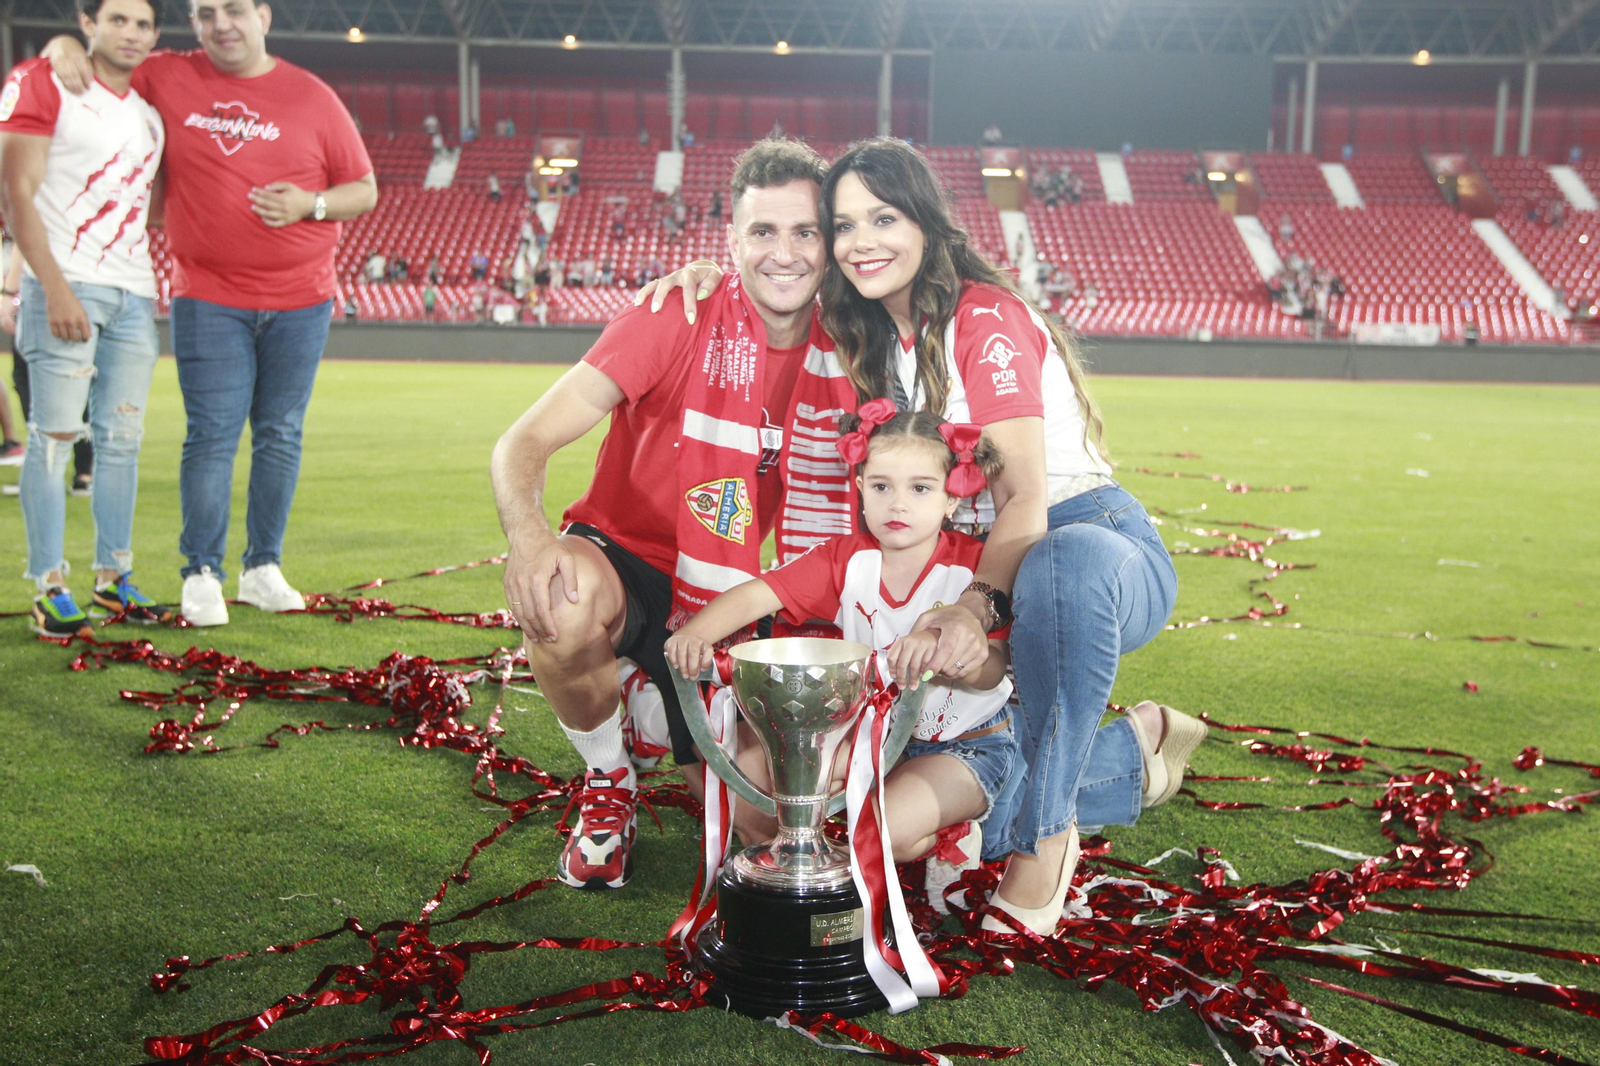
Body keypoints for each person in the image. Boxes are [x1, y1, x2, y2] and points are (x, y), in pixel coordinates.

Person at [645, 138, 1208, 936]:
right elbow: (771, 295)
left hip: (1082, 541)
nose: (860, 241)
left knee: (1059, 570)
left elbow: (1025, 499)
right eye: (843, 226)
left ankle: (1045, 843)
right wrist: (705, 279)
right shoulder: (874, 332)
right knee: (908, 780)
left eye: (884, 216)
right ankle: (1128, 749)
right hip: (981, 560)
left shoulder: (982, 317)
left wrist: (973, 609)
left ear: (927, 223)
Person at [488, 138, 843, 892]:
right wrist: (529, 538)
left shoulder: (848, 348)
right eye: (762, 232)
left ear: (831, 243)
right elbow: (523, 440)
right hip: (620, 557)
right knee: (560, 598)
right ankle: (609, 779)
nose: (783, 253)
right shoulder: (673, 314)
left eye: (804, 232)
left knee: (764, 829)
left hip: (728, 590)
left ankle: (650, 704)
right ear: (731, 242)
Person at [44, 0, 378, 627]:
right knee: (212, 437)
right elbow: (101, 64)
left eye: (234, 10)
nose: (221, 23)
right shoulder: (169, 73)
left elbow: (364, 188)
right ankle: (201, 571)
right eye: (205, 13)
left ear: (264, 16)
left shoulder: (313, 95)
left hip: (303, 298)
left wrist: (311, 203)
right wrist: (61, 46)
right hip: (209, 295)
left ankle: (262, 568)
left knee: (280, 433)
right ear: (193, 24)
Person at [665, 406, 1014, 914]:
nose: (898, 504)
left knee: (878, 833)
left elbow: (995, 670)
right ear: (859, 486)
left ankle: (948, 832)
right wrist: (696, 632)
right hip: (871, 740)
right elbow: (757, 595)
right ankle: (897, 836)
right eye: (881, 486)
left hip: (966, 745)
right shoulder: (846, 559)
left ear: (951, 494)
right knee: (761, 781)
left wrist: (958, 658)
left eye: (919, 488)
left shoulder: (974, 569)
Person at [1, 0, 170, 635]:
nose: (131, 33)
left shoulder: (150, 114)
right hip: (65, 286)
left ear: (156, 35)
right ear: (87, 21)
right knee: (53, 437)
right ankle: (48, 586)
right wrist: (54, 287)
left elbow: (147, 205)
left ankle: (113, 579)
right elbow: (15, 192)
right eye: (118, 19)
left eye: (143, 24)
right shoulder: (42, 80)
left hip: (134, 293)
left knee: (121, 442)